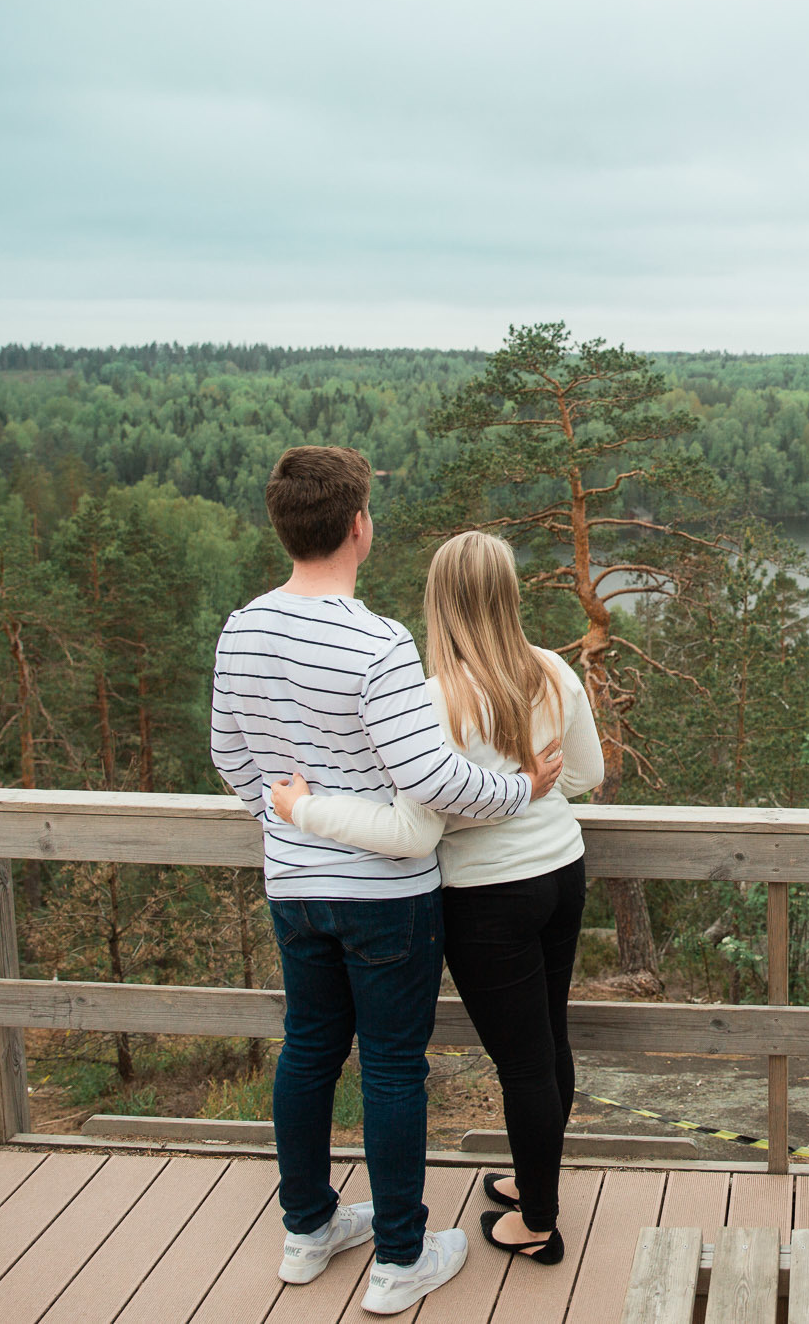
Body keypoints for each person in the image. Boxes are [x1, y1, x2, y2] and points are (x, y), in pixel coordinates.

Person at [210, 448, 563, 1316]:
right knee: (395, 1067)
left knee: (308, 1051)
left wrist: (290, 821)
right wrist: (523, 787)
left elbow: (229, 757)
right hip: (386, 895)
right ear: (359, 525)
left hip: (295, 886)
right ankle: (401, 1258)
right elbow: (436, 781)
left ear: (284, 526)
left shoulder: (241, 627)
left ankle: (307, 1232)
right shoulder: (377, 642)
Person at [271, 529, 603, 1268]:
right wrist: (527, 787)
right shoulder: (552, 670)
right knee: (549, 1040)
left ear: (439, 602)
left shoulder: (432, 698)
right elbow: (587, 773)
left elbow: (417, 826)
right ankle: (530, 1183)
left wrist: (306, 809)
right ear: (509, 594)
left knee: (522, 1062)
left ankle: (538, 1223)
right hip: (561, 871)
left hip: (487, 898)